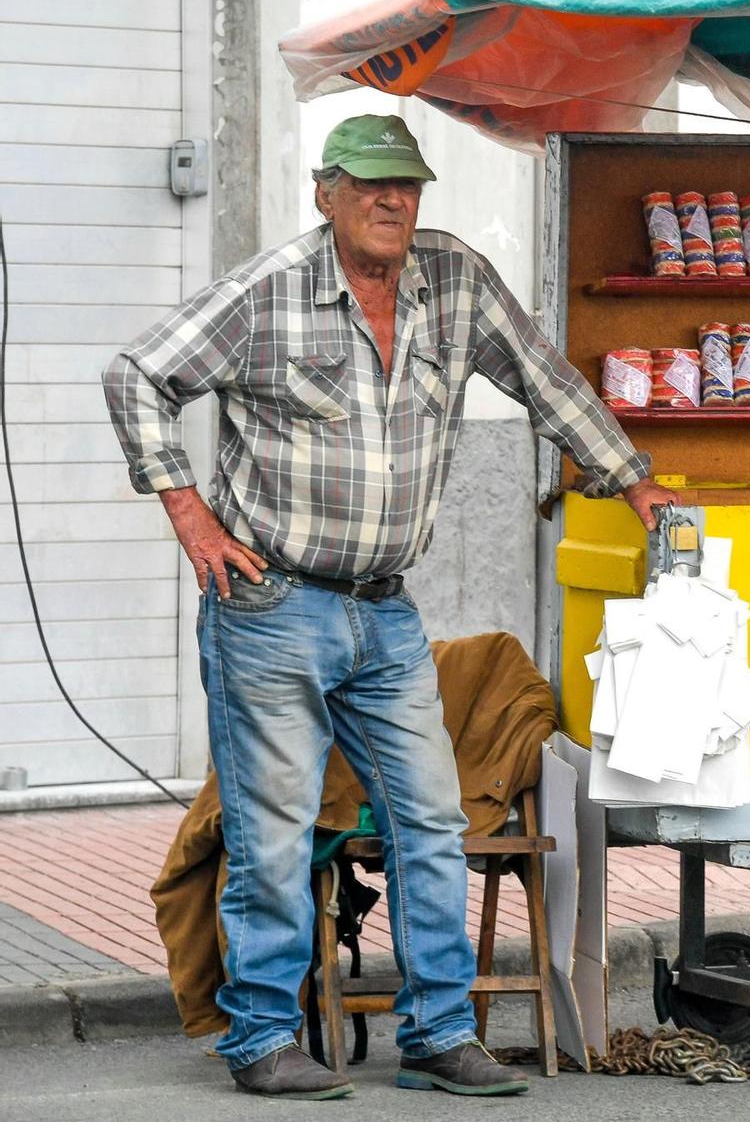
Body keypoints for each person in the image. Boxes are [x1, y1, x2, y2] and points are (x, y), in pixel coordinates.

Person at [103, 115, 677, 1100]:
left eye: (406, 184)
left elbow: (543, 379)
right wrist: (192, 518)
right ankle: (261, 1038)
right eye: (370, 184)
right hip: (269, 602)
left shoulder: (452, 281)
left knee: (432, 816)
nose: (391, 200)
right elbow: (137, 374)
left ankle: (438, 1034)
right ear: (327, 192)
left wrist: (633, 482)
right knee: (275, 827)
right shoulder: (268, 290)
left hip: (385, 611)